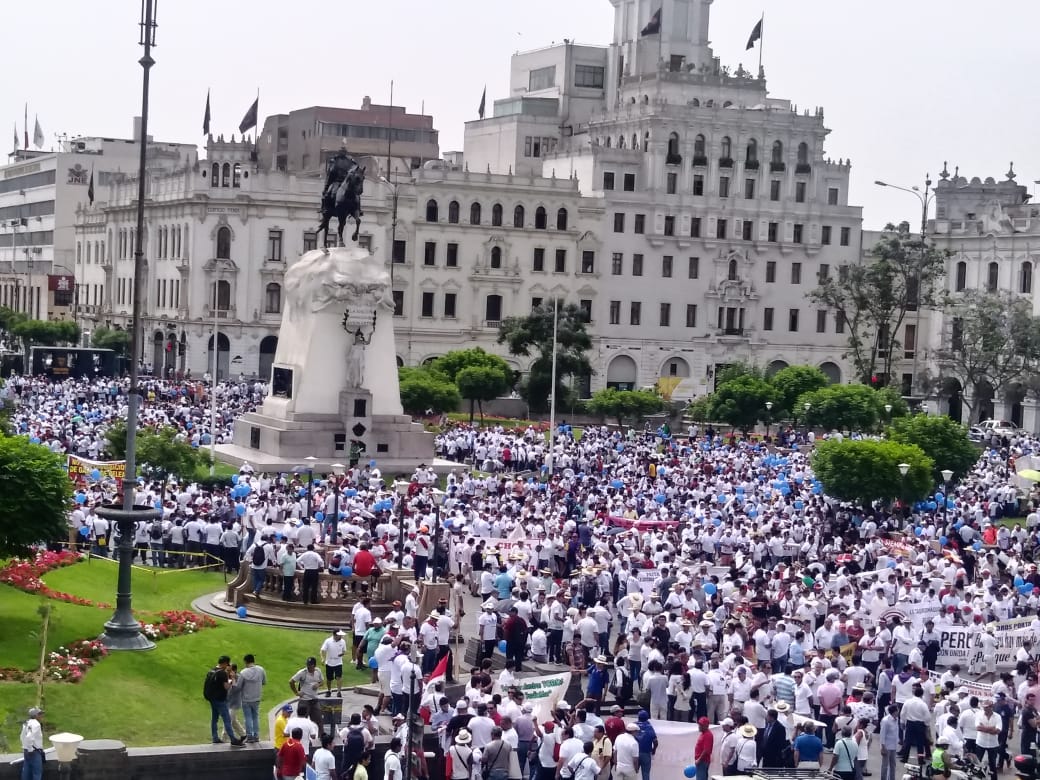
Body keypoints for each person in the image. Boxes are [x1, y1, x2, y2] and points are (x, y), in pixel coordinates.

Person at [204, 655, 244, 746]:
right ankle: (233, 739)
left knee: (214, 718)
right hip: (220, 700)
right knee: (227, 719)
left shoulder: (211, 671)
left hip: (212, 699)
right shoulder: (222, 673)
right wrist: (231, 678)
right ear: (225, 663)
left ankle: (215, 737)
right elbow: (227, 687)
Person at [975, 699, 1002, 780]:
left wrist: (985, 728)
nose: (985, 709)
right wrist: (991, 729)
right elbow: (978, 727)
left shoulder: (997, 716)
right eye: (984, 707)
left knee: (993, 765)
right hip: (981, 742)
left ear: (991, 707)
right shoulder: (979, 715)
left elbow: (998, 730)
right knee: (978, 763)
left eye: (987, 707)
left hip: (993, 744)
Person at [321, 629, 347, 697]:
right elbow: (322, 650)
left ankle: (339, 691)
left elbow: (344, 651)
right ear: (335, 635)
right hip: (329, 662)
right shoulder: (328, 641)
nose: (341, 636)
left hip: (338, 662)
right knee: (329, 678)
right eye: (339, 635)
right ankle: (329, 690)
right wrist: (323, 658)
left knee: (339, 677)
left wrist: (342, 654)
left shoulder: (343, 641)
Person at [20, 707, 44, 780]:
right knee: (37, 773)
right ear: (35, 715)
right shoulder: (36, 724)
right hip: (34, 752)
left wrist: (26, 748)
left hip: (26, 751)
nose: (41, 716)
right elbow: (29, 737)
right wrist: (30, 749)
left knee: (26, 772)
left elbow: (22, 736)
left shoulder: (26, 723)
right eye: (39, 714)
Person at [634, 711, 658, 780]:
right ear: (647, 718)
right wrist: (654, 750)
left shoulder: (633, 725)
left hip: (634, 753)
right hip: (646, 753)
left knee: (632, 773)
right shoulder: (649, 727)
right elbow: (655, 741)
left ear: (638, 717)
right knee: (645, 774)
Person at [879, 704, 900, 780]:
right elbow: (882, 734)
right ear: (895, 711)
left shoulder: (896, 719)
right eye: (897, 710)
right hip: (887, 746)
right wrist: (883, 747)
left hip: (894, 745)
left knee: (893, 764)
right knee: (885, 765)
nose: (898, 711)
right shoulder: (886, 721)